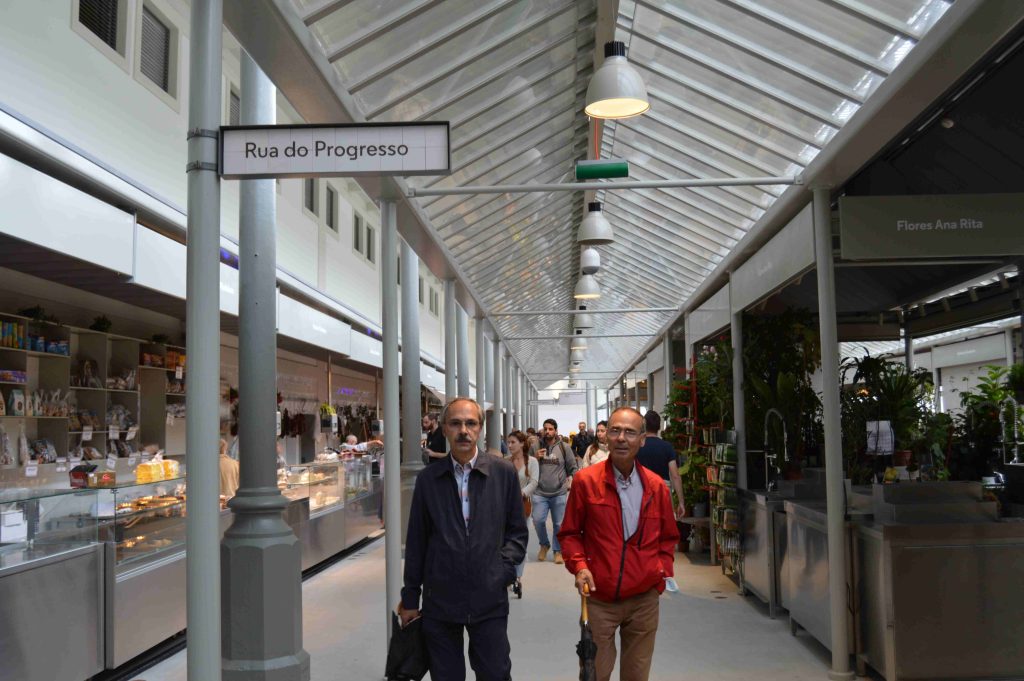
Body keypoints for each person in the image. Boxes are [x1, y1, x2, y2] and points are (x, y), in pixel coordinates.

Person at [399, 397, 528, 681]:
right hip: (440, 600)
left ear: (480, 429)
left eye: (470, 423)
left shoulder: (503, 474)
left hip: (489, 598)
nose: (463, 431)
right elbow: (417, 540)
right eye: (455, 423)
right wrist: (410, 596)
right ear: (444, 429)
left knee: (495, 673)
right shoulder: (429, 480)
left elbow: (517, 532)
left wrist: (501, 571)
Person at [558, 407, 680, 681]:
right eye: (615, 430)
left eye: (630, 432)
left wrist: (660, 574)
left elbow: (668, 537)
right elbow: (569, 534)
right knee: (595, 673)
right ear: (606, 437)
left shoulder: (655, 486)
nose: (621, 438)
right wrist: (579, 567)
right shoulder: (586, 482)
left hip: (643, 599)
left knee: (637, 674)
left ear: (642, 439)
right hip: (599, 597)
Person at [531, 418, 577, 564]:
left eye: (550, 429)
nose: (547, 431)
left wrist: (574, 482)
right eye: (545, 429)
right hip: (539, 492)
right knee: (538, 520)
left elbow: (573, 467)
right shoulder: (536, 446)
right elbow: (527, 466)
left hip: (559, 492)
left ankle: (558, 550)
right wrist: (534, 458)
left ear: (556, 431)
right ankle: (544, 544)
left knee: (559, 523)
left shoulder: (564, 447)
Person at [635, 411, 686, 518]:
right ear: (658, 427)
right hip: (663, 490)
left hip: (641, 490)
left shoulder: (637, 446)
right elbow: (675, 476)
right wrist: (681, 502)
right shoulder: (667, 446)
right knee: (664, 527)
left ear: (644, 426)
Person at [505, 430, 538, 598]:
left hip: (522, 506)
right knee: (503, 540)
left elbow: (534, 482)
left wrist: (521, 494)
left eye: (512, 442)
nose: (509, 445)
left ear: (522, 444)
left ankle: (517, 576)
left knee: (519, 541)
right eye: (508, 442)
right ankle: (506, 572)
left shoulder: (531, 462)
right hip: (504, 507)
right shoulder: (505, 462)